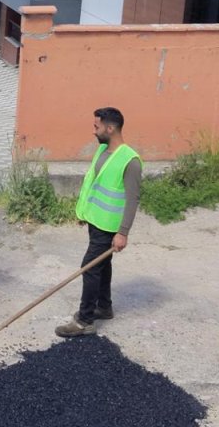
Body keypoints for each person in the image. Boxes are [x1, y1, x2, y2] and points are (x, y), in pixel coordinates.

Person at [56, 107, 142, 338]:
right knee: (102, 266)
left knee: (90, 267)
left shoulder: (130, 161)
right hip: (95, 221)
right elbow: (93, 184)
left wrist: (123, 233)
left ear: (110, 128)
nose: (94, 131)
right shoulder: (103, 150)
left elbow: (133, 199)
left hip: (109, 227)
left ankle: (85, 320)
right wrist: (83, 213)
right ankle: (104, 306)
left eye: (97, 126)